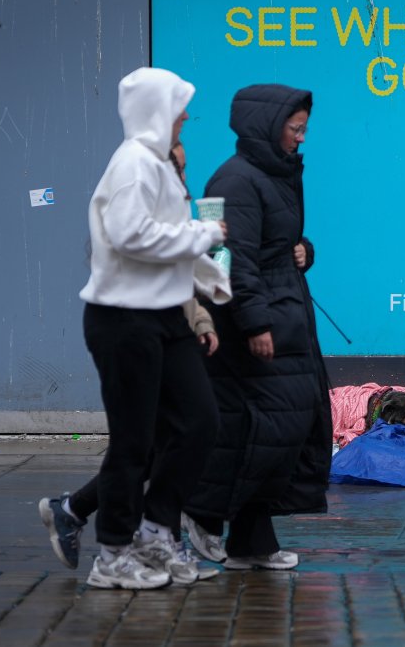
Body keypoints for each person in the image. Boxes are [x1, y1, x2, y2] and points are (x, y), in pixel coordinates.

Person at [37, 139, 224, 585]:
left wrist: (199, 317)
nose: (180, 178)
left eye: (183, 169)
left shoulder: (171, 205)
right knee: (146, 442)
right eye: (174, 168)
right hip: (133, 327)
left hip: (168, 328)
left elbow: (181, 273)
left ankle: (103, 519)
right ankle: (117, 541)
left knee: (180, 432)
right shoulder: (134, 193)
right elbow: (145, 262)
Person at [180, 84, 333, 571]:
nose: (301, 139)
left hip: (287, 314)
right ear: (267, 125)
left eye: (304, 129)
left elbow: (278, 242)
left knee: (285, 427)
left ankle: (251, 540)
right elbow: (232, 257)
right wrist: (254, 322)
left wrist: (305, 251)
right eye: (295, 129)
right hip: (260, 321)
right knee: (262, 427)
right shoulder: (237, 180)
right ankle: (201, 514)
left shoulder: (277, 174)